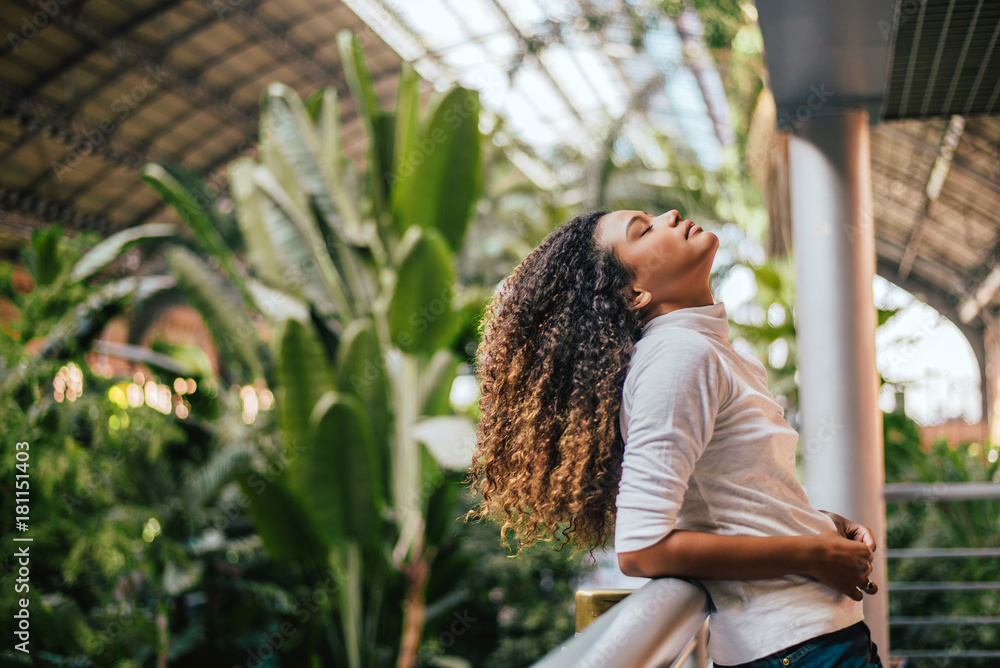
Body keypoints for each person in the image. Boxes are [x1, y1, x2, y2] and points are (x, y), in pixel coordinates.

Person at [465, 208, 885, 667]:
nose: (670, 215)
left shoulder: (709, 351)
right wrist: (812, 552)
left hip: (816, 640)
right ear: (635, 294)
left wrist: (822, 526)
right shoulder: (677, 357)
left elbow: (727, 495)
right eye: (643, 230)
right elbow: (642, 549)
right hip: (795, 650)